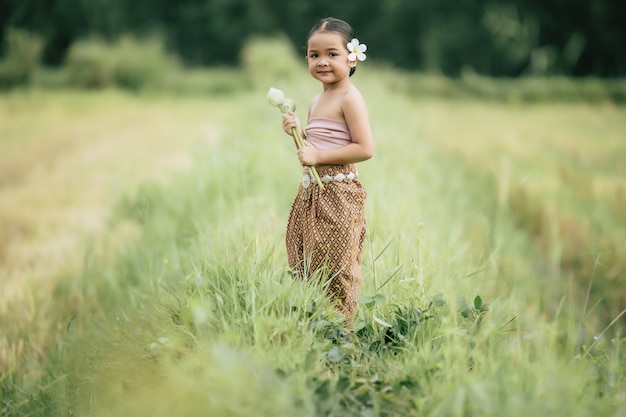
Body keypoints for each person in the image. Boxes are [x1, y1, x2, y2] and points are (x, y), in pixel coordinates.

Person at [282, 17, 374, 325]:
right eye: (314, 55)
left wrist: (318, 155)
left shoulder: (350, 98)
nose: (322, 62)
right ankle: (313, 321)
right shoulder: (314, 101)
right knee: (308, 258)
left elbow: (364, 148)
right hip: (312, 193)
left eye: (332, 54)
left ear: (351, 57)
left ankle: (341, 329)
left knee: (337, 262)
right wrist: (298, 132)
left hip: (339, 194)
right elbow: (316, 146)